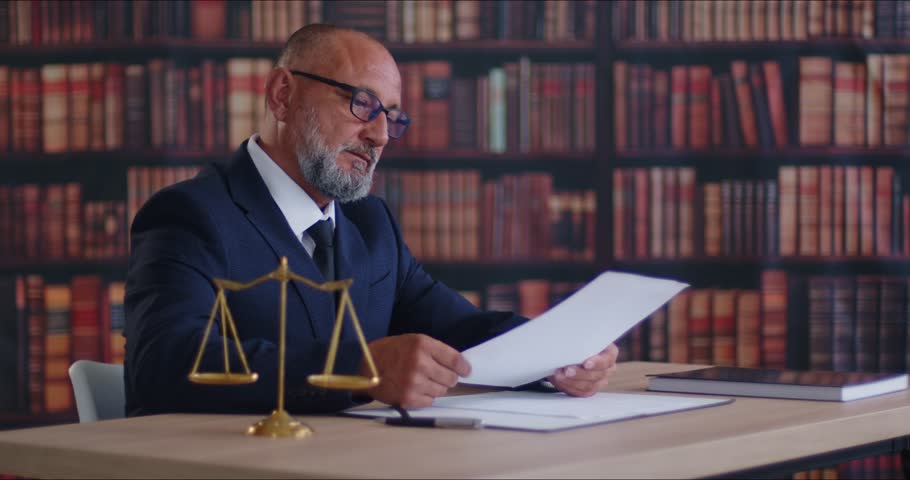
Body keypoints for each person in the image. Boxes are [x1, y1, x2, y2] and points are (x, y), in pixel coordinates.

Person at [124, 24, 619, 416]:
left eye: (392, 117)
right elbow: (162, 362)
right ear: (281, 95)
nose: (380, 135)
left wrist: (557, 356)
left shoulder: (370, 224)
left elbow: (459, 327)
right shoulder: (190, 215)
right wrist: (359, 369)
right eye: (362, 103)